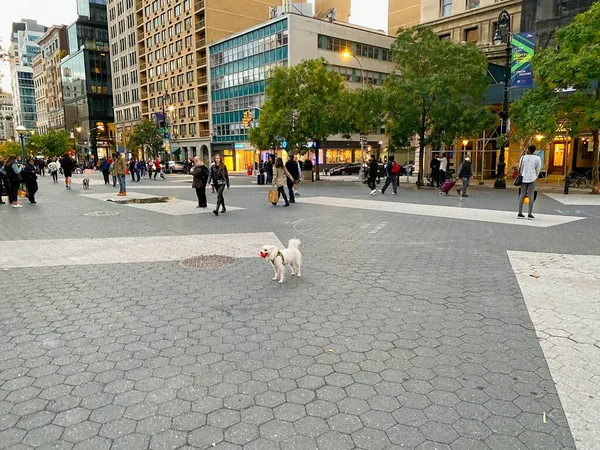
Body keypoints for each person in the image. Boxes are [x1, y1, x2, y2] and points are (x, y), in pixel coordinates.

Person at [518, 145, 541, 220]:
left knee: (522, 194)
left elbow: (520, 168)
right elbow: (538, 168)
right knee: (531, 195)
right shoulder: (537, 158)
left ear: (528, 149)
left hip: (524, 177)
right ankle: (529, 214)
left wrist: (522, 174)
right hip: (532, 177)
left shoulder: (523, 157)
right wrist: (536, 176)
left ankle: (520, 213)